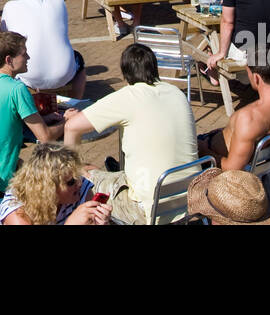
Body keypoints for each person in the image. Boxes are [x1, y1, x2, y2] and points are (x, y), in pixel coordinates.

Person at [63, 43, 197, 224]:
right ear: (154, 68)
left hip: (148, 209)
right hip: (188, 200)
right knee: (100, 172)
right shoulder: (176, 92)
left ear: (125, 74)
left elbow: (72, 127)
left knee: (85, 179)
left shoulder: (129, 96)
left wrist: (72, 176)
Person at [0, 31, 71, 193]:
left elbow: (1, 115)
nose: (28, 57)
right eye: (23, 54)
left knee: (24, 165)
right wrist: (66, 121)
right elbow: (45, 137)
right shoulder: (17, 89)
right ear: (8, 60)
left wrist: (43, 119)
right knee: (60, 185)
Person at [198, 61, 270, 179]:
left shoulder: (248, 118)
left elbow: (232, 169)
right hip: (260, 161)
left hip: (213, 160)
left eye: (248, 73)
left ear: (256, 78)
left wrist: (203, 151)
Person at [0, 0, 86, 98]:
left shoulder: (10, 6)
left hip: (28, 75)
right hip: (63, 74)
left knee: (5, 59)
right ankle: (75, 104)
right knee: (79, 59)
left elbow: (3, 38)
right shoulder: (59, 3)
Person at [0, 141, 110, 225]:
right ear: (49, 189)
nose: (79, 183)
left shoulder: (79, 191)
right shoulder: (18, 215)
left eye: (78, 176)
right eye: (71, 182)